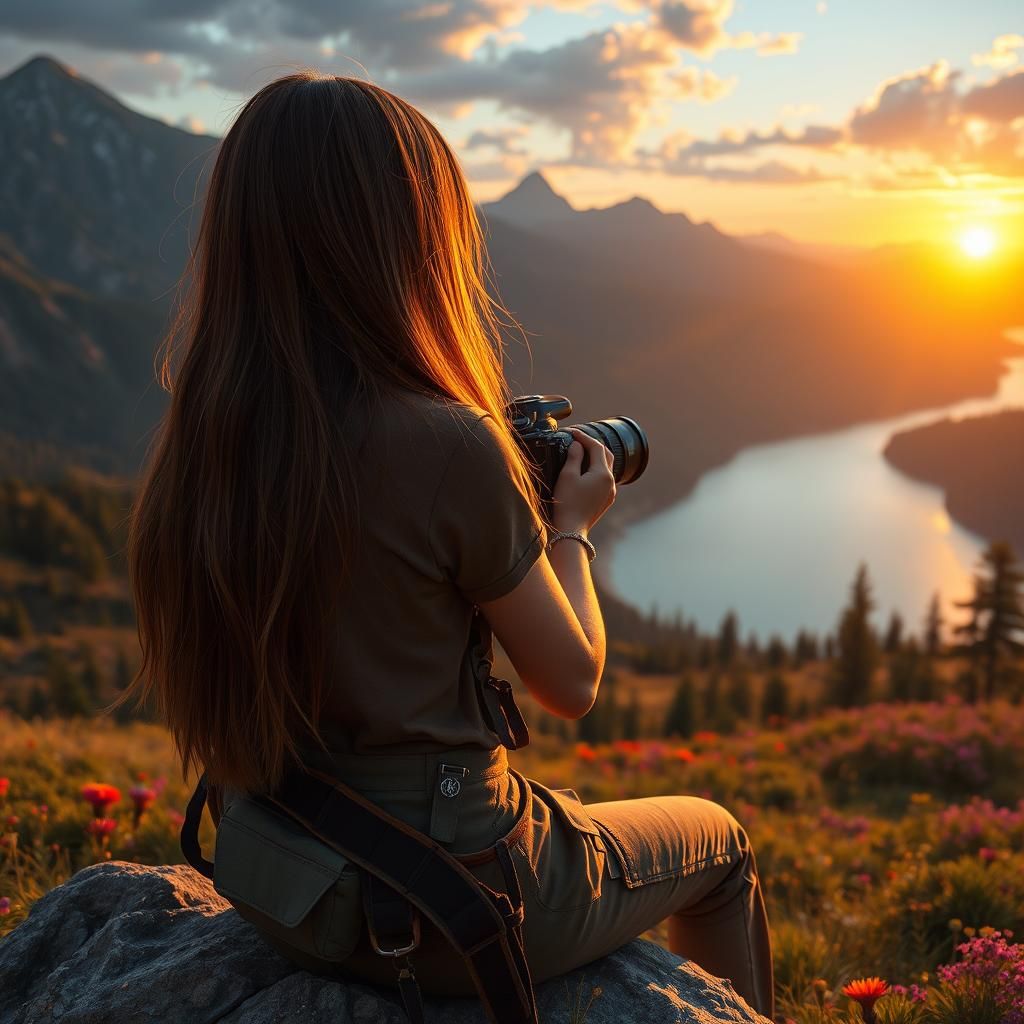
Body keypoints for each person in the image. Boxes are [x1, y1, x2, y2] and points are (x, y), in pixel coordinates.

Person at [121, 70, 774, 1021]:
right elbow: (571, 680)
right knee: (718, 843)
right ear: (406, 239)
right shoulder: (444, 443)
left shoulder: (209, 434)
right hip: (447, 903)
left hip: (290, 880)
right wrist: (568, 528)